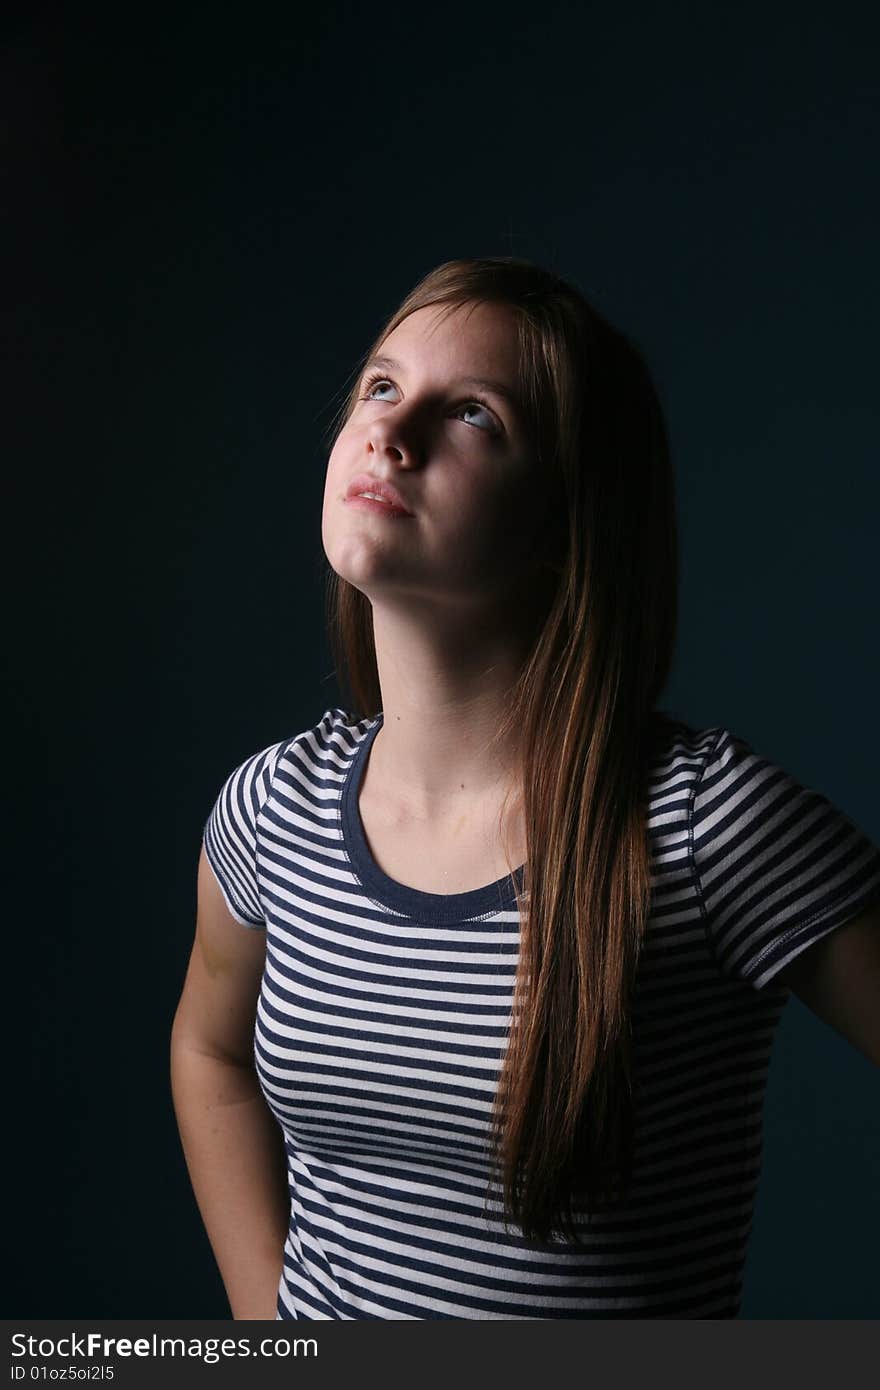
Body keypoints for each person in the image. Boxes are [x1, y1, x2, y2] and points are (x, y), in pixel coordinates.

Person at [170, 256, 880, 1320]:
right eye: (379, 386)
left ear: (566, 525)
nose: (390, 432)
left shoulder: (705, 829)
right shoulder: (270, 813)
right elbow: (207, 1048)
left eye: (471, 415)